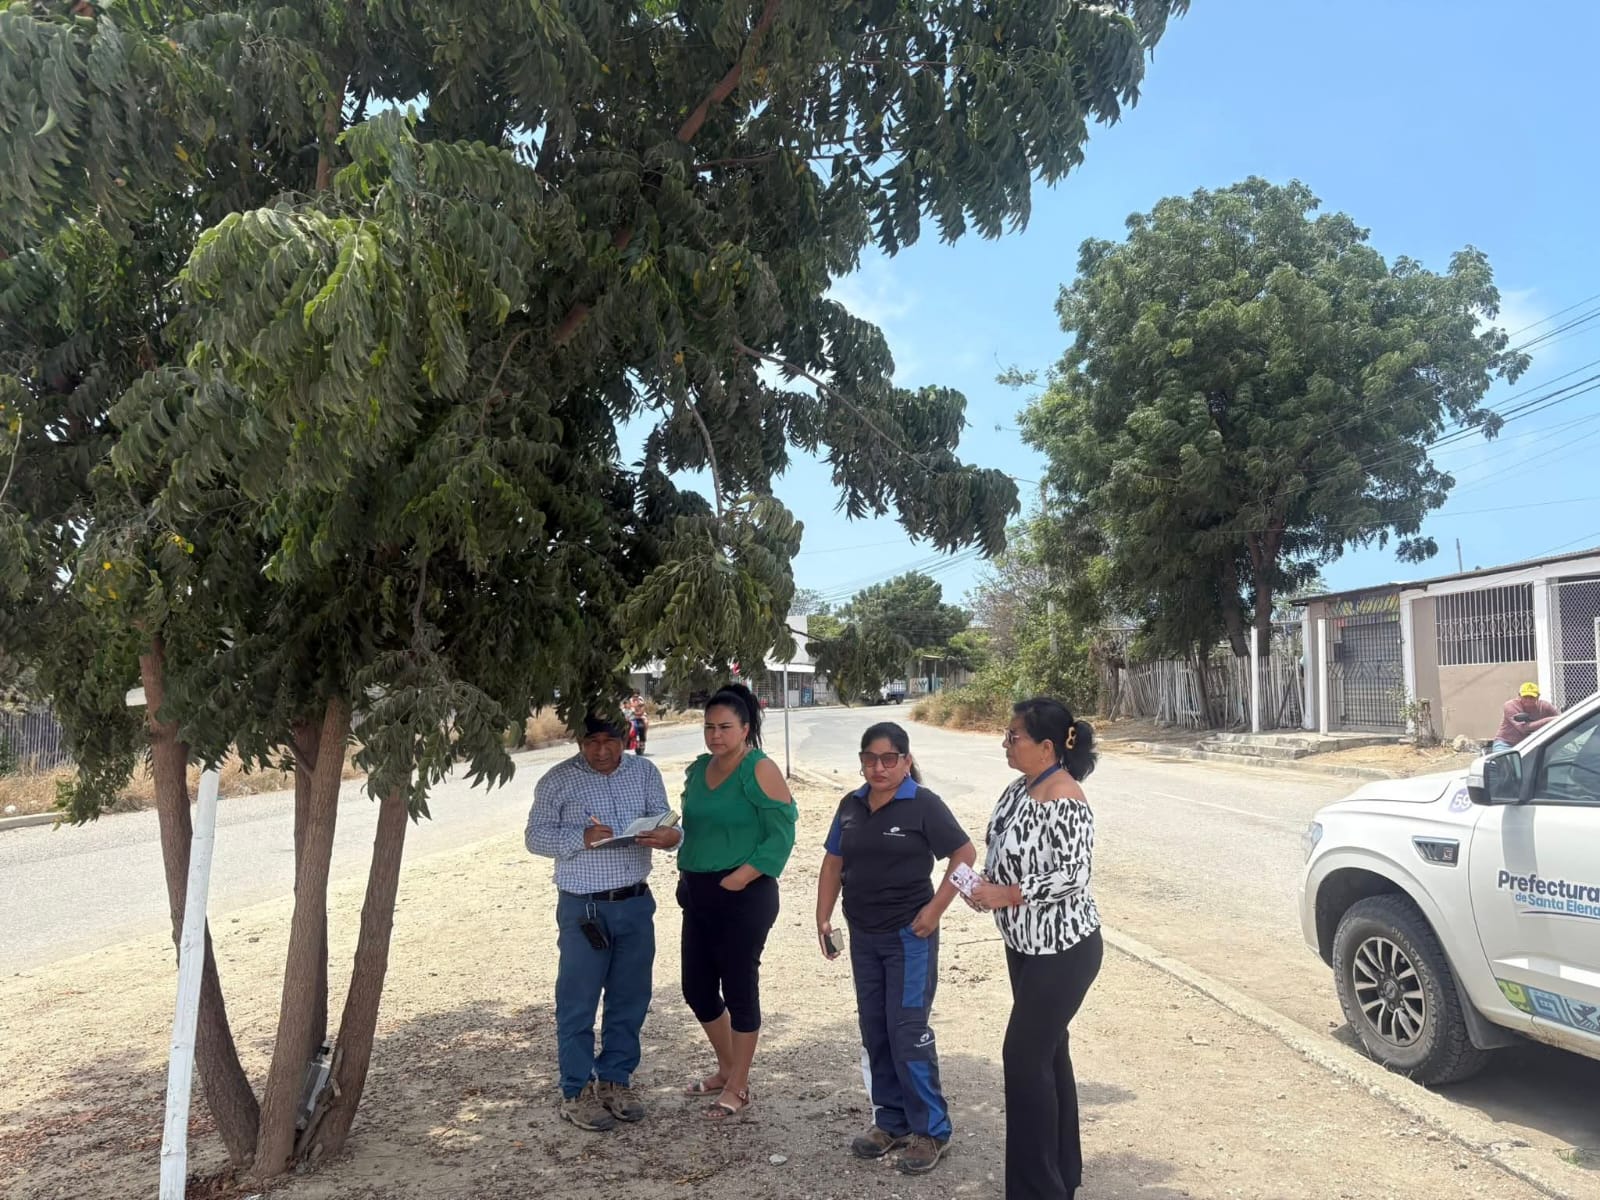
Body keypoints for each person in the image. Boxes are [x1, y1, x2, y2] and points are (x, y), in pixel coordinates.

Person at [816, 722, 976, 1174]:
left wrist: (936, 910)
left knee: (907, 1030)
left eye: (889, 759)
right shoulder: (851, 805)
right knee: (875, 1027)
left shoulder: (924, 804)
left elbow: (965, 855)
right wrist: (824, 917)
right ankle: (891, 1121)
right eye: (870, 759)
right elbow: (833, 861)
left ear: (906, 761)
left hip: (910, 938)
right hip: (863, 935)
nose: (879, 767)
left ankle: (932, 1131)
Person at [968, 698, 1102, 1200]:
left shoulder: (1065, 796)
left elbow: (1072, 875)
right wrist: (983, 886)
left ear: (1046, 747)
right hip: (1025, 945)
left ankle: (1036, 1189)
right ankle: (1062, 1176)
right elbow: (1004, 849)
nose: (1005, 743)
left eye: (1014, 736)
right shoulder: (1017, 789)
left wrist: (1007, 894)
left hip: (1063, 950)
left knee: (1023, 1058)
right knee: (1048, 1054)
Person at [525, 713, 682, 1132]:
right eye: (591, 741)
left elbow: (666, 820)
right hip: (584, 909)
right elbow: (534, 837)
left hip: (635, 904)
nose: (600, 750)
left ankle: (615, 1080)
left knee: (630, 999)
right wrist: (580, 837)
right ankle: (575, 1090)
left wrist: (672, 837)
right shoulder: (559, 780)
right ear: (579, 741)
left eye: (609, 741)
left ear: (624, 738)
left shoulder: (644, 773)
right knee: (578, 1002)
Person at [676, 682, 797, 1120]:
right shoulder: (698, 770)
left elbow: (782, 833)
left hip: (744, 894)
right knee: (697, 988)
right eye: (709, 727)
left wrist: (740, 878)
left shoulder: (758, 768)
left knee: (740, 989)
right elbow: (694, 827)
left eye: (725, 727)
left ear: (745, 729)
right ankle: (727, 1068)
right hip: (698, 891)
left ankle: (739, 1085)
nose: (716, 735)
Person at [1493, 682, 1561, 751]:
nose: (1528, 700)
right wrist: (1549, 720)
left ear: (1538, 697)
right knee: (1505, 757)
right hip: (1507, 744)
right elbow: (1523, 728)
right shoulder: (1511, 706)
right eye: (1525, 697)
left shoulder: (1544, 706)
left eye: (1531, 697)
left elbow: (1559, 721)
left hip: (1531, 745)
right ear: (1519, 696)